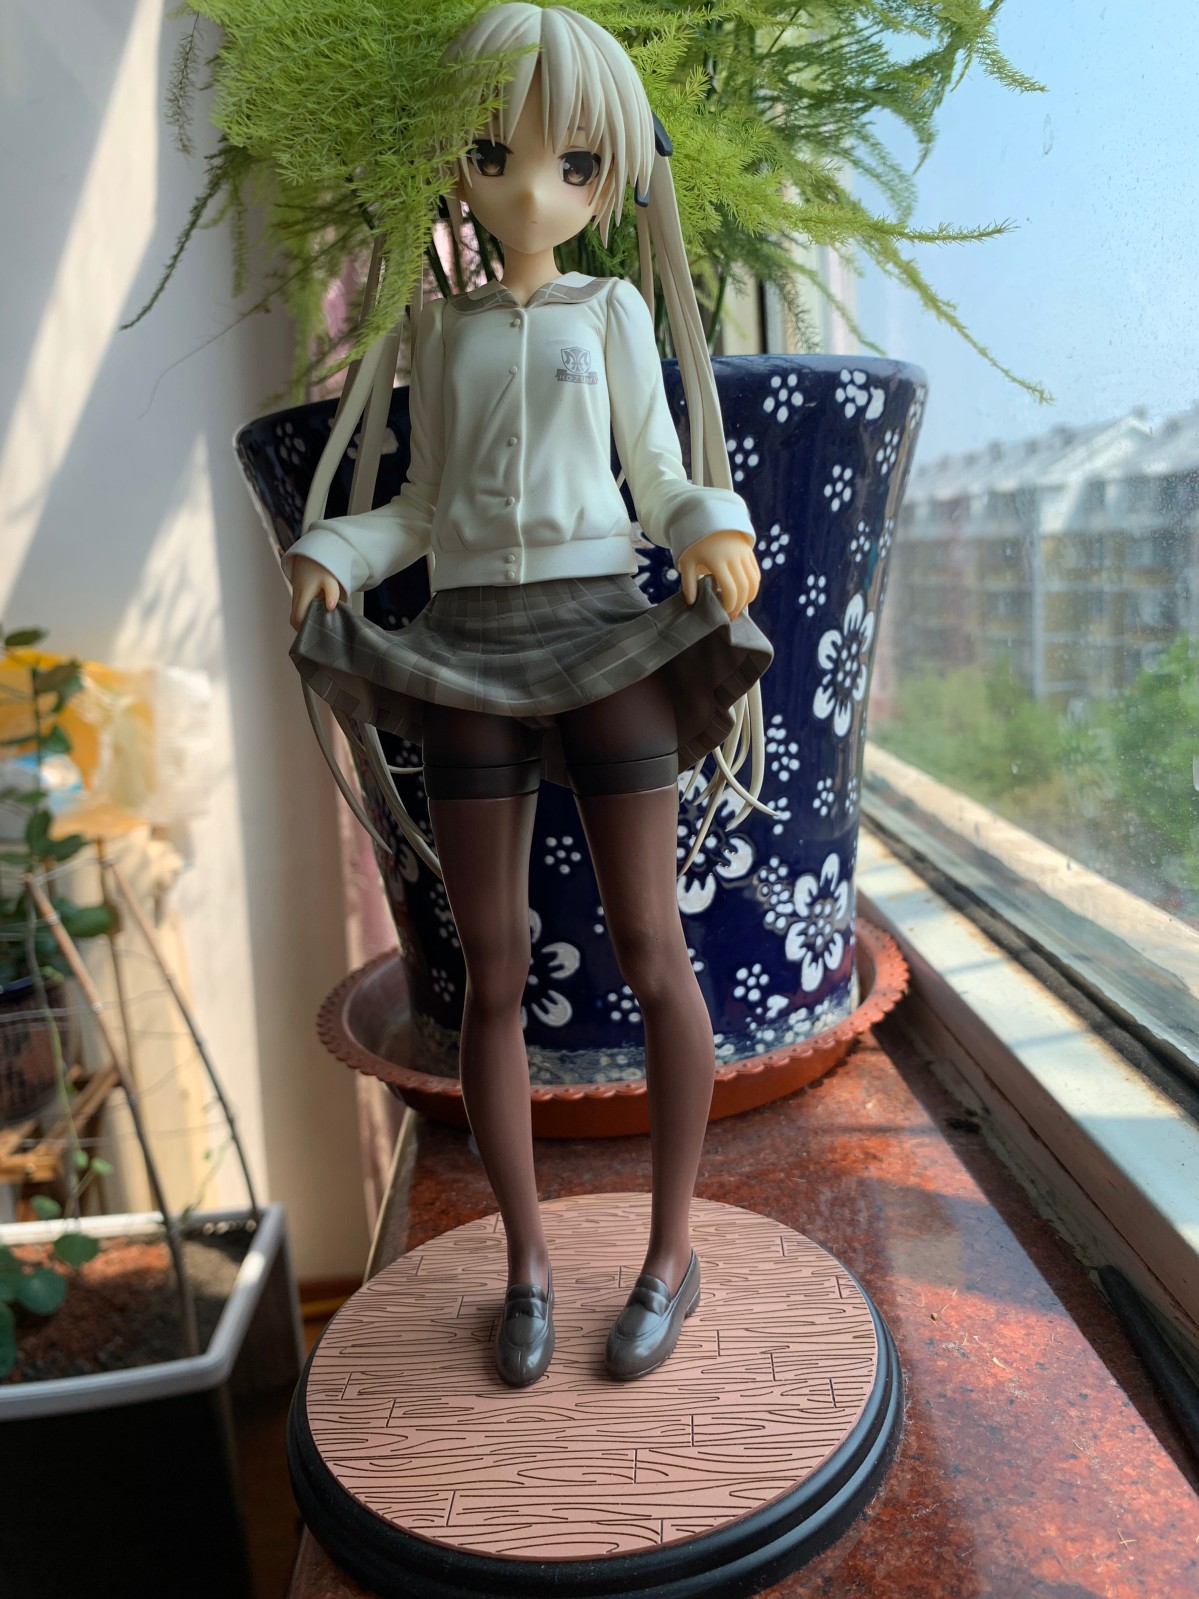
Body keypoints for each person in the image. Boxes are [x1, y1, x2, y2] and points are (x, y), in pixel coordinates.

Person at [284, 3, 772, 1386]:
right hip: (466, 647)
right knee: (488, 967)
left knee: (651, 943)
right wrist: (335, 548)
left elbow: (656, 470)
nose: (531, 188)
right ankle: (527, 1265)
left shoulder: (610, 310)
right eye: (495, 154)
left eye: (574, 164)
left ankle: (669, 1253)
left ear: (609, 176)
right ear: (457, 163)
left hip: (603, 629)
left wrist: (710, 523)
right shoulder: (438, 333)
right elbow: (421, 502)